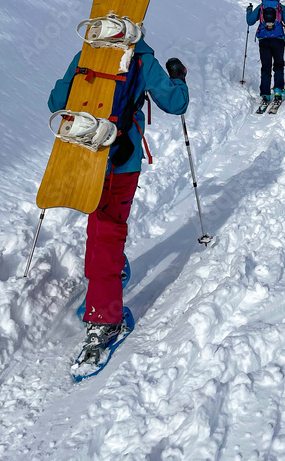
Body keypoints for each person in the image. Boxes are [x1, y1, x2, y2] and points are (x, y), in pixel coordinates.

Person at [48, 40, 188, 360]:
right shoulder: (141, 59)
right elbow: (176, 103)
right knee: (108, 232)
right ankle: (105, 319)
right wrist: (178, 77)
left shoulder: (88, 51)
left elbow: (56, 101)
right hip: (120, 163)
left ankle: (106, 278)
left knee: (99, 224)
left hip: (85, 157)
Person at [246, 0, 285, 105]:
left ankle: (265, 94)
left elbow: (250, 21)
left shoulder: (261, 7)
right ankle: (278, 91)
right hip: (278, 40)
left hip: (264, 40)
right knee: (278, 65)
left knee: (266, 67)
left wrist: (249, 10)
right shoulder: (280, 7)